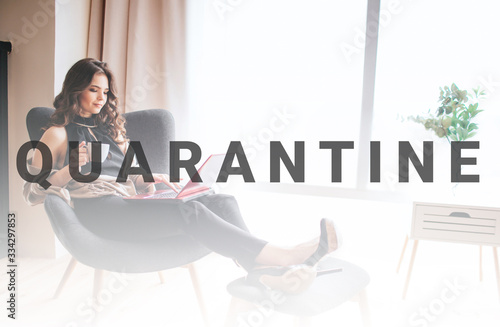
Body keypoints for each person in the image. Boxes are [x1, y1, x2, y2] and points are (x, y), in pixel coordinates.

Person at [24, 58, 341, 294]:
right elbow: (32, 191)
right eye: (94, 89)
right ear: (75, 88)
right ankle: (283, 257)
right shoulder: (58, 133)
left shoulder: (112, 131)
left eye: (105, 91)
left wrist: (155, 178)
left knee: (220, 199)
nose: (101, 98)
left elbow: (135, 178)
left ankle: (259, 272)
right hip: (100, 212)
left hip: (127, 204)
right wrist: (68, 172)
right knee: (186, 210)